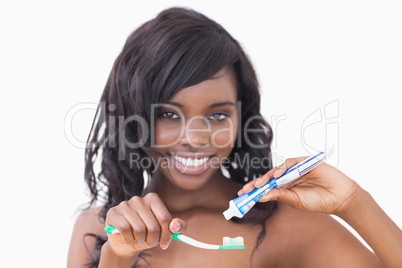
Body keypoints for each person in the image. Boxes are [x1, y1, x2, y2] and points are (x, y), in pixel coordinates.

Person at [67, 7, 402, 268]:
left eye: (217, 115)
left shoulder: (286, 227)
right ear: (132, 115)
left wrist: (355, 203)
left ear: (242, 117)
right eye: (168, 114)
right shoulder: (99, 229)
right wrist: (118, 257)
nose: (196, 139)